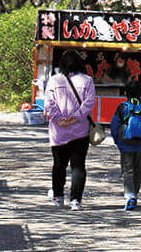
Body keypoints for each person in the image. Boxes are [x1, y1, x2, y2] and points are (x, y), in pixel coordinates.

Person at [44, 50, 96, 211]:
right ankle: (75, 200)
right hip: (80, 131)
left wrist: (60, 119)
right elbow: (90, 102)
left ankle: (58, 197)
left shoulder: (54, 80)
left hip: (58, 132)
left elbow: (49, 103)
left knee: (59, 165)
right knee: (78, 166)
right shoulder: (87, 80)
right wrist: (76, 117)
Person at [109, 79, 141, 211]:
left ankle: (130, 196)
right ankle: (134, 194)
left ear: (125, 93)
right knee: (138, 170)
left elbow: (114, 126)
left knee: (127, 170)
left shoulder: (122, 107)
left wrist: (117, 140)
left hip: (125, 145)